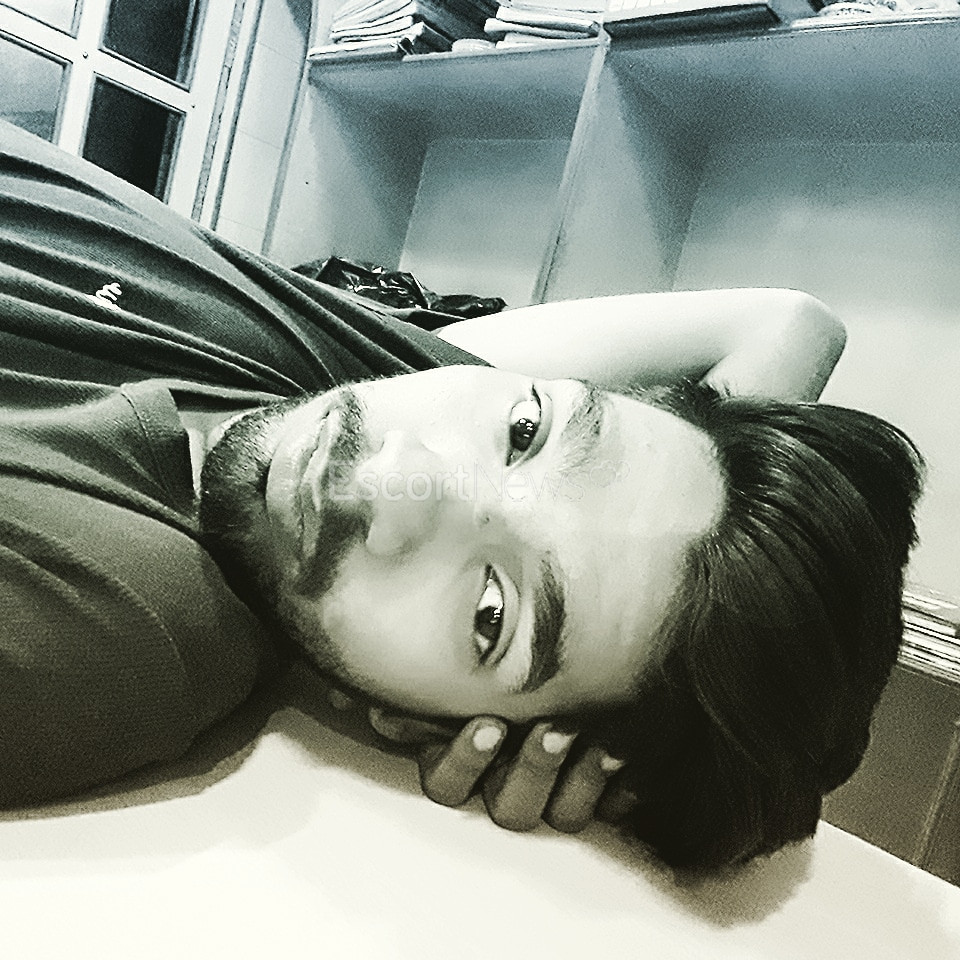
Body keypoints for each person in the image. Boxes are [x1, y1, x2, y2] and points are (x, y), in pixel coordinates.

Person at [0, 121, 923, 871]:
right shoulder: (354, 362)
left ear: (427, 722)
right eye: (525, 432)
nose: (394, 477)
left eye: (490, 612)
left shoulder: (124, 624)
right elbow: (788, 321)